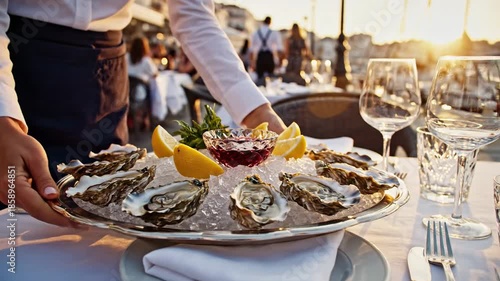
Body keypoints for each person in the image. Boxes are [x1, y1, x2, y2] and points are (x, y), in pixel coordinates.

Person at [0, 0, 286, 228]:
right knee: (13, 219)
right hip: (18, 57)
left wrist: (259, 113)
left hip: (105, 69)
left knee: (108, 216)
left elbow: (194, 16)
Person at [126, 37, 158, 132]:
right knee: (152, 93)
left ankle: (132, 121)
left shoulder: (126, 57)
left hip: (126, 92)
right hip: (139, 94)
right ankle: (146, 119)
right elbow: (155, 74)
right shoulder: (146, 61)